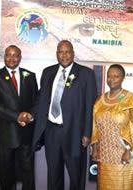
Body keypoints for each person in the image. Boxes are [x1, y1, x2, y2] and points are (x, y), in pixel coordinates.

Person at [33, 40, 97, 190]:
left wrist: (88, 133)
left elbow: (90, 106)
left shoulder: (86, 74)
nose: (64, 55)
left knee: (76, 175)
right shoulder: (48, 72)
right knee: (53, 175)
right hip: (52, 131)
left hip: (75, 133)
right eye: (60, 52)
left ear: (73, 53)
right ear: (56, 54)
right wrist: (31, 114)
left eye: (67, 51)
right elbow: (42, 99)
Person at [0, 45, 38, 190]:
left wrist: (30, 116)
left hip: (27, 133)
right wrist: (17, 116)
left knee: (28, 175)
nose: (12, 58)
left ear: (20, 57)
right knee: (6, 175)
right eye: (8, 55)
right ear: (4, 57)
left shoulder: (30, 76)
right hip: (6, 134)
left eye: (15, 55)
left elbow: (36, 101)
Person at [91, 64, 133, 190]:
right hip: (104, 156)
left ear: (123, 78)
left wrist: (130, 152)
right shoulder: (100, 101)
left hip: (123, 155)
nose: (111, 79)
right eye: (109, 76)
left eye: (116, 76)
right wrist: (94, 147)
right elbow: (95, 127)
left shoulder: (131, 99)